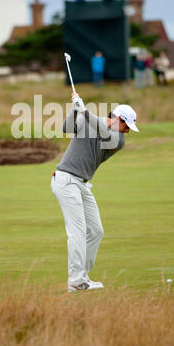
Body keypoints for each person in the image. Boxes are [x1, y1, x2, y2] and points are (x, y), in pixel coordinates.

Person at [51, 93, 139, 292]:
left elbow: (104, 133)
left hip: (82, 184)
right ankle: (77, 280)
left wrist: (84, 111)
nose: (128, 132)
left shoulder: (118, 140)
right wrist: (75, 109)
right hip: (66, 180)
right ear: (118, 119)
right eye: (127, 126)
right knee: (78, 231)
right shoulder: (89, 119)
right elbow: (66, 128)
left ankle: (82, 277)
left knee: (96, 231)